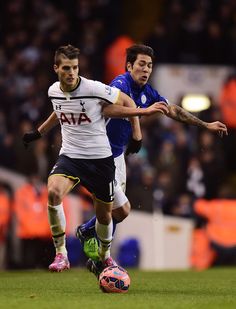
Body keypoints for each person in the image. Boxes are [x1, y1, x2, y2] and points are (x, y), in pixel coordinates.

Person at [22, 44, 169, 273]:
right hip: (71, 156)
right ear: (56, 68)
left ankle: (104, 256)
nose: (72, 73)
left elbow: (127, 102)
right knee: (53, 192)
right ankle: (61, 254)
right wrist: (38, 133)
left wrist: (142, 115)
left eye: (75, 68)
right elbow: (59, 110)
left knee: (108, 214)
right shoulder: (54, 91)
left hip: (100, 159)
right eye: (67, 68)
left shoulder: (94, 88)